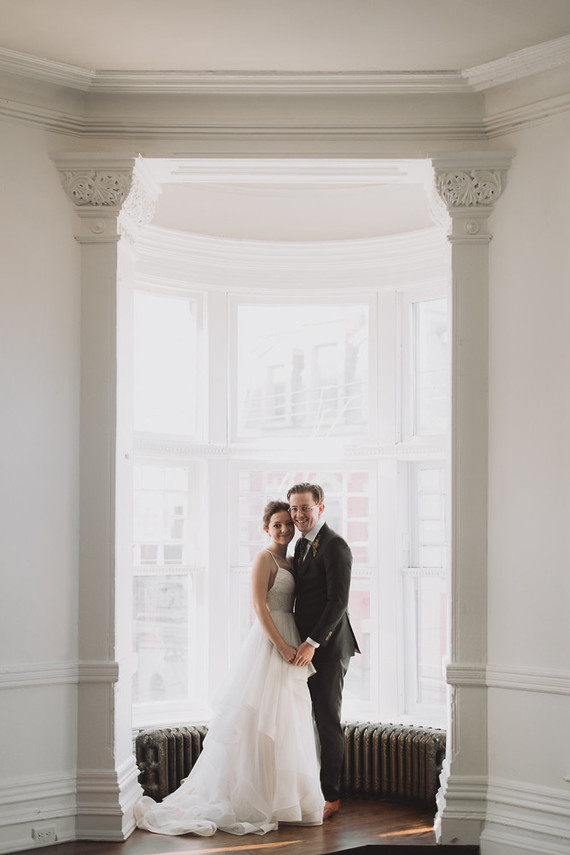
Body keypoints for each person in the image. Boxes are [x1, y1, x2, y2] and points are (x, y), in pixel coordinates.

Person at [134, 500, 324, 837]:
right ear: (266, 528)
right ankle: (250, 798)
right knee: (257, 717)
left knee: (287, 718)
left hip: (293, 637)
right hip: (270, 641)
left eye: (287, 524)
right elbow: (258, 605)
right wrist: (280, 644)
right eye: (276, 524)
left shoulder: (294, 560)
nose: (283, 529)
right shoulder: (264, 559)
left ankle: (284, 800)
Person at [287, 482, 360, 821]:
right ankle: (307, 787)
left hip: (328, 649)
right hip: (304, 649)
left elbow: (338, 601)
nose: (299, 515)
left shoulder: (334, 545)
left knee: (328, 720)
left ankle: (331, 794)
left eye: (305, 508)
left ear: (320, 508)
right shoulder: (300, 546)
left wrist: (312, 643)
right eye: (294, 509)